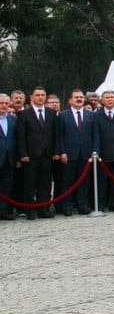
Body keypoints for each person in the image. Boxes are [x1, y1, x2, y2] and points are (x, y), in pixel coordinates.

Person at [16, 87, 58, 219]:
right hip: (31, 155)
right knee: (30, 184)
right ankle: (30, 211)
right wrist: (23, 154)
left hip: (47, 154)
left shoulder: (51, 113)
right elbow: (21, 136)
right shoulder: (24, 114)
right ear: (32, 97)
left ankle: (43, 209)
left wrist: (56, 151)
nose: (40, 97)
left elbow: (55, 135)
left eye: (42, 95)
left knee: (45, 184)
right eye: (37, 95)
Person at [56, 89, 99, 215]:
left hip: (86, 154)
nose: (79, 99)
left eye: (81, 97)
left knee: (84, 181)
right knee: (68, 181)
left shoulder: (91, 115)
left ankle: (83, 205)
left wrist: (95, 151)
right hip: (69, 154)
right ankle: (67, 206)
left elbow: (95, 135)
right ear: (70, 100)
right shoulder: (63, 115)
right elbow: (60, 136)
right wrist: (62, 152)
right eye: (76, 97)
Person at [0, 95, 18, 220]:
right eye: (1, 103)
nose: (4, 106)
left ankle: (3, 211)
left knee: (6, 187)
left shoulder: (13, 120)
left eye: (6, 103)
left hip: (9, 159)